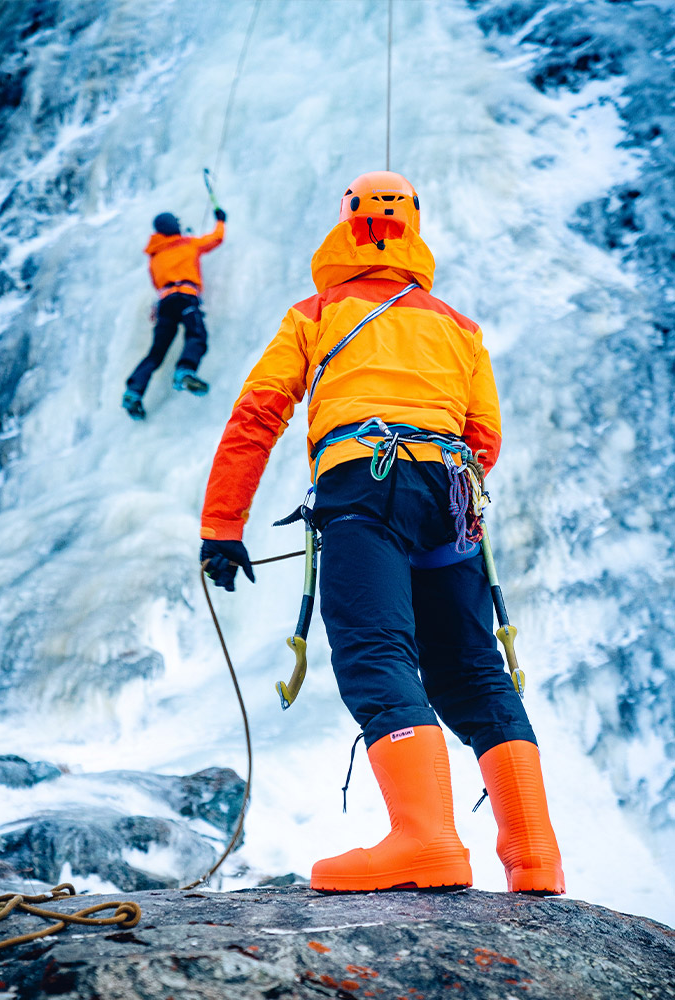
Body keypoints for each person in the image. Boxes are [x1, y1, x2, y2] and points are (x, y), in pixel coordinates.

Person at [199, 171, 565, 895]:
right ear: (412, 232)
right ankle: (534, 859)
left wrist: (222, 526)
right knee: (469, 667)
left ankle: (426, 842)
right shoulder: (458, 326)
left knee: (374, 649)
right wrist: (441, 491)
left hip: (363, 483)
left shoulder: (317, 312)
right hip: (451, 490)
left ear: (348, 225)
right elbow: (484, 435)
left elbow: (258, 415)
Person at [122, 207, 226, 419]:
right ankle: (185, 371)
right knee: (197, 335)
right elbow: (216, 239)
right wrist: (220, 220)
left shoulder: (155, 256)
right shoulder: (188, 243)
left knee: (156, 353)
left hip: (165, 303)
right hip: (186, 296)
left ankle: (133, 391)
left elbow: (157, 283)